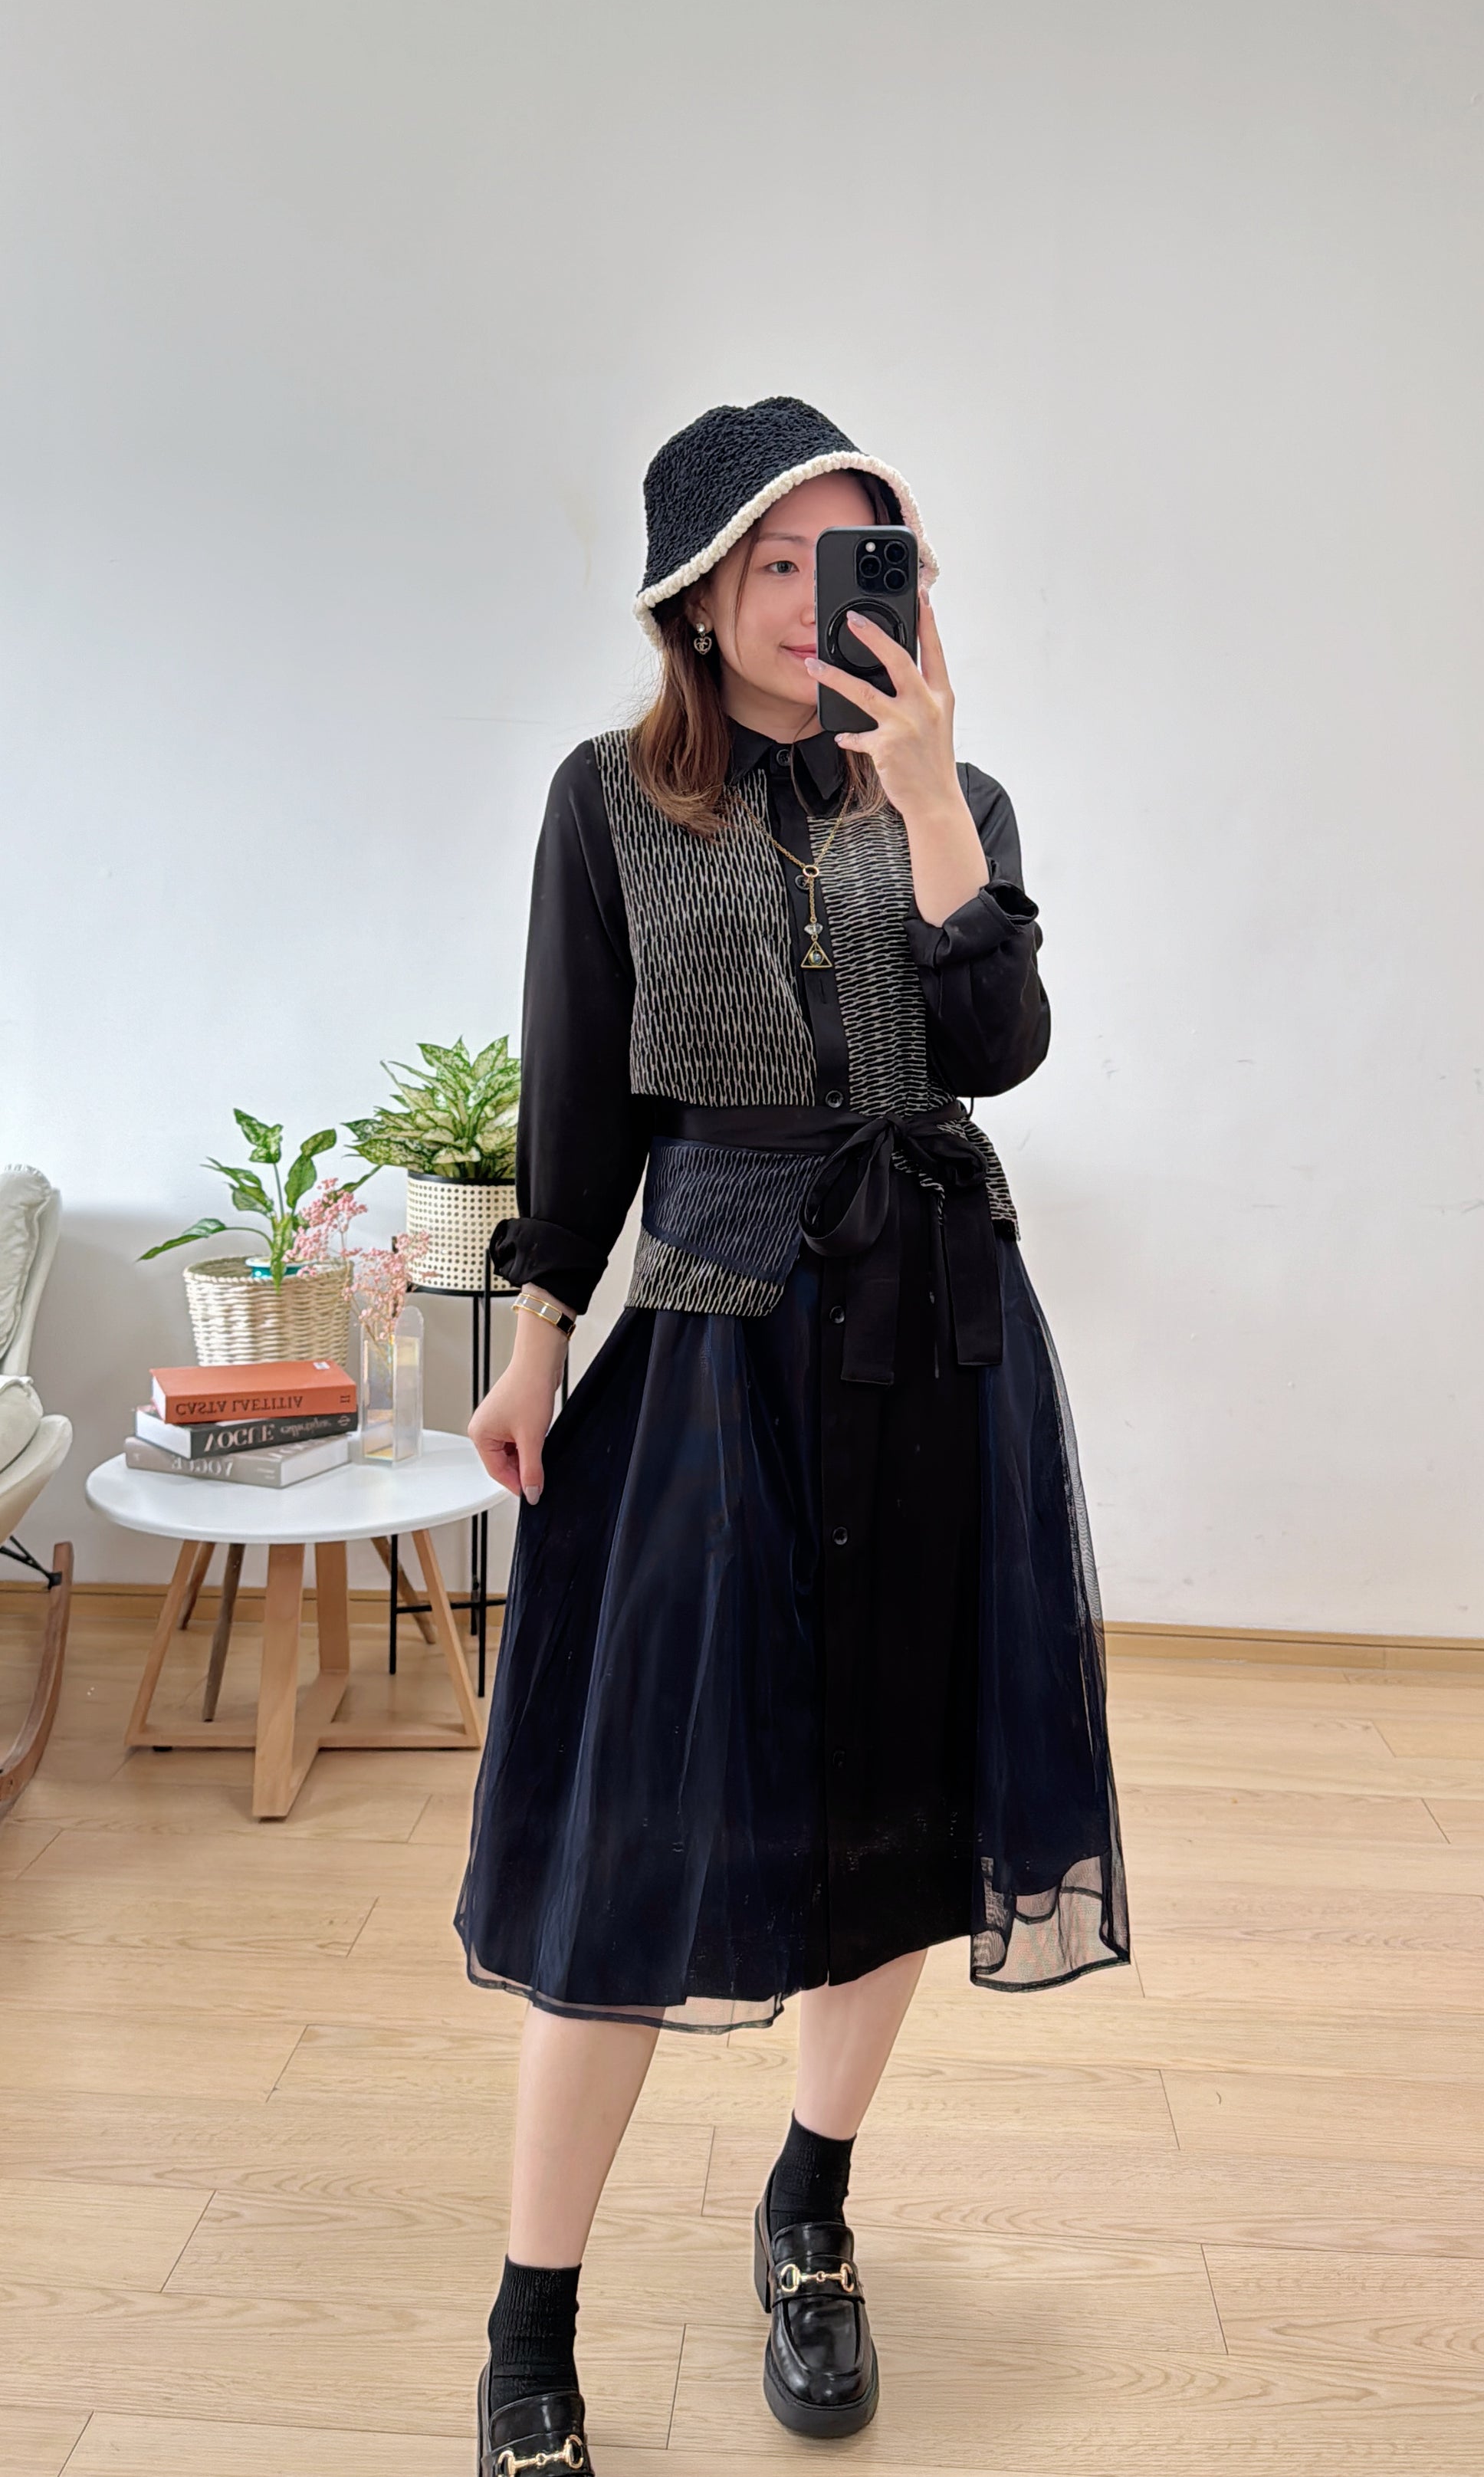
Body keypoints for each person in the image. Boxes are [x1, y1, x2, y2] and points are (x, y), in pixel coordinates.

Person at [461, 394, 1128, 2475]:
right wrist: (534, 1335)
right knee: (640, 1828)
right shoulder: (606, 800)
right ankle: (530, 2321)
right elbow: (579, 1094)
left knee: (898, 1808)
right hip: (715, 1348)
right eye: (775, 560)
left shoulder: (957, 791)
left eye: (855, 555)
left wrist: (930, 807)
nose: (814, 596)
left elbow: (995, 1047)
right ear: (695, 595)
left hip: (935, 1340)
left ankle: (810, 2208)